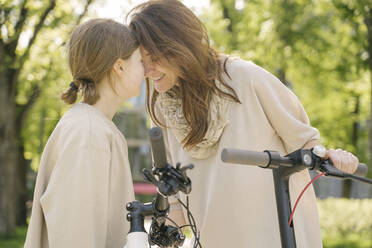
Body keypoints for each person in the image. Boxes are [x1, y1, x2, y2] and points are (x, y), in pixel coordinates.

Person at [128, 1, 359, 247]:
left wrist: (336, 157)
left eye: (153, 58)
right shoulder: (165, 109)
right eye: (142, 61)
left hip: (277, 237)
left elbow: (307, 144)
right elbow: (174, 201)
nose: (147, 71)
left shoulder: (246, 78)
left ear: (178, 45)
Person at [24, 18, 144, 248]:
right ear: (119, 67)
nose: (146, 70)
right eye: (140, 60)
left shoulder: (96, 127)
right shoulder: (88, 133)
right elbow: (76, 236)